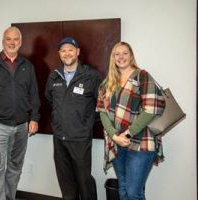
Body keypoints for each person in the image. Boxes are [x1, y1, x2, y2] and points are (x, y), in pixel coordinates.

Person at [0, 26, 40, 200]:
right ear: (3, 41)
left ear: (20, 42)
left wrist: (34, 118)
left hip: (21, 126)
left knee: (15, 167)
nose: (12, 42)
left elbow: (34, 94)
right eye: (8, 39)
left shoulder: (27, 66)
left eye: (16, 39)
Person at [96, 42, 165, 200]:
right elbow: (102, 112)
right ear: (113, 58)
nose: (121, 57)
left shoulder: (142, 76)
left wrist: (127, 134)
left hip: (141, 142)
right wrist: (114, 136)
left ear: (131, 55)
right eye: (117, 54)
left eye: (125, 53)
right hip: (116, 143)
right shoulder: (107, 83)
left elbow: (151, 109)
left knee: (134, 193)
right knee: (123, 188)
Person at [45, 37, 101, 200]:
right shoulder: (54, 76)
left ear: (77, 52)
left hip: (80, 139)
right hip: (59, 138)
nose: (67, 53)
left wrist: (85, 122)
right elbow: (50, 100)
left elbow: (102, 104)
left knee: (84, 181)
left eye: (70, 49)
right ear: (59, 54)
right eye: (63, 50)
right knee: (66, 183)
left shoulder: (91, 76)